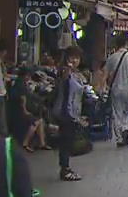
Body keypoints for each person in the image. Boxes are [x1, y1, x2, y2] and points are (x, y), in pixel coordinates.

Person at [53, 46, 88, 182]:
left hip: (73, 112)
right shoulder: (65, 72)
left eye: (77, 58)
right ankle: (65, 169)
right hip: (65, 112)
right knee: (66, 141)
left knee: (67, 140)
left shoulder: (75, 74)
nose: (75, 60)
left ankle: (65, 167)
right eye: (72, 57)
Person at [104, 39, 128, 148]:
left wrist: (103, 88)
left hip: (116, 89)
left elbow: (105, 74)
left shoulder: (111, 58)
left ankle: (119, 137)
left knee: (117, 112)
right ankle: (126, 128)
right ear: (126, 44)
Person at [8, 69, 49, 153]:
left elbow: (29, 95)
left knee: (40, 120)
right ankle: (25, 143)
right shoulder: (21, 85)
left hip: (16, 109)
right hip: (18, 111)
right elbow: (23, 99)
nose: (29, 77)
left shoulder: (20, 83)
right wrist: (25, 111)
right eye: (28, 76)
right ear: (25, 76)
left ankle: (42, 143)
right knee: (35, 121)